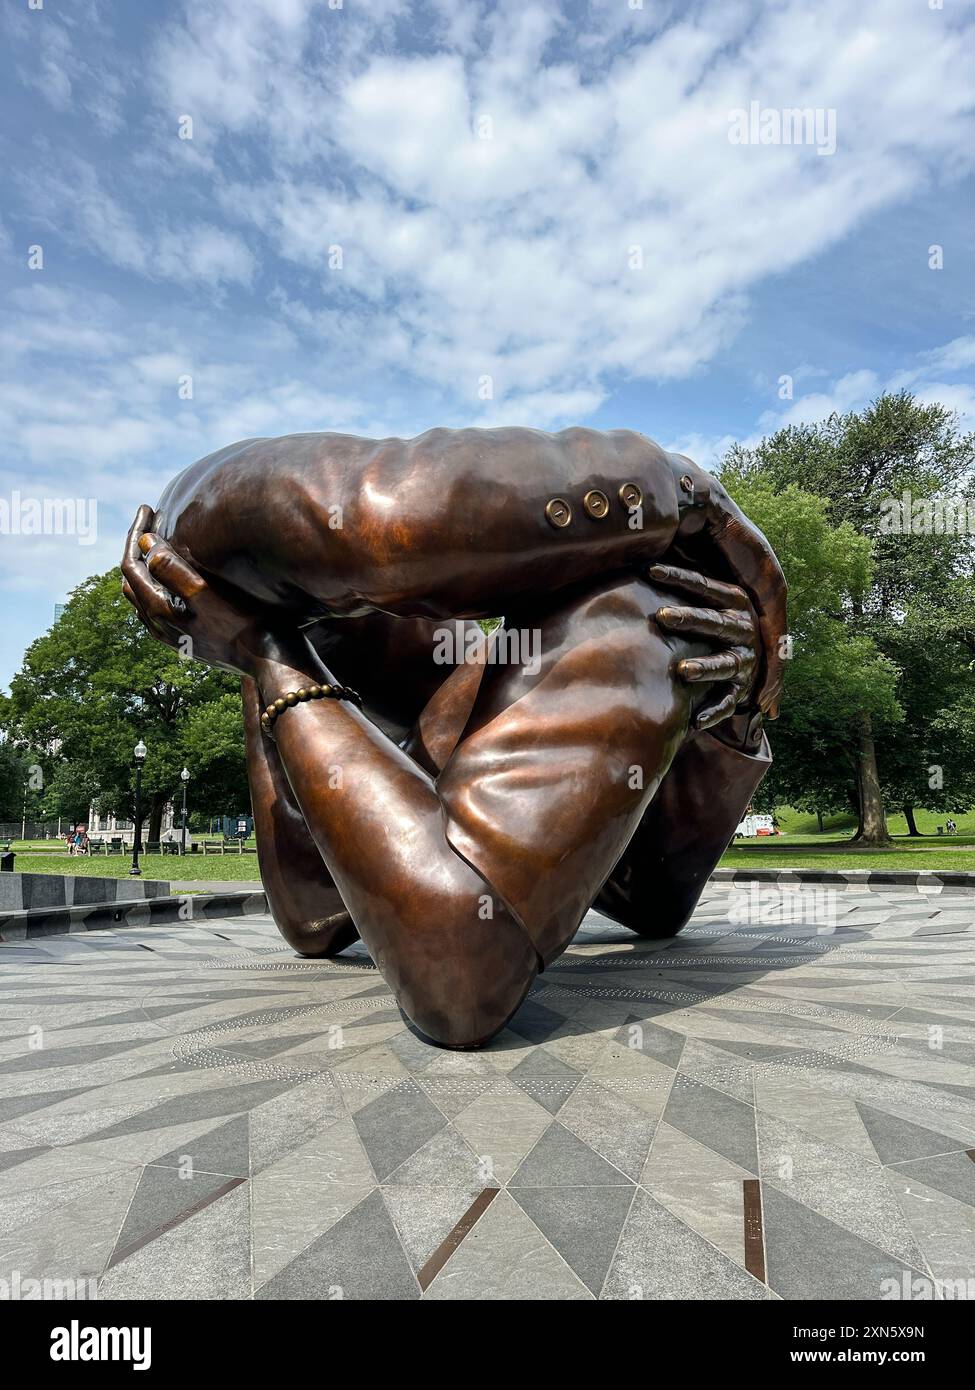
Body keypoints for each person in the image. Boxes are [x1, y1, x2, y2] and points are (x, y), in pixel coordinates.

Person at [122, 426, 786, 1048]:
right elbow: (315, 914)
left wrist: (266, 656)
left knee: (386, 532)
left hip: (651, 617)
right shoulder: (452, 658)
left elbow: (462, 983)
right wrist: (273, 636)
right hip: (633, 650)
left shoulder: (628, 605)